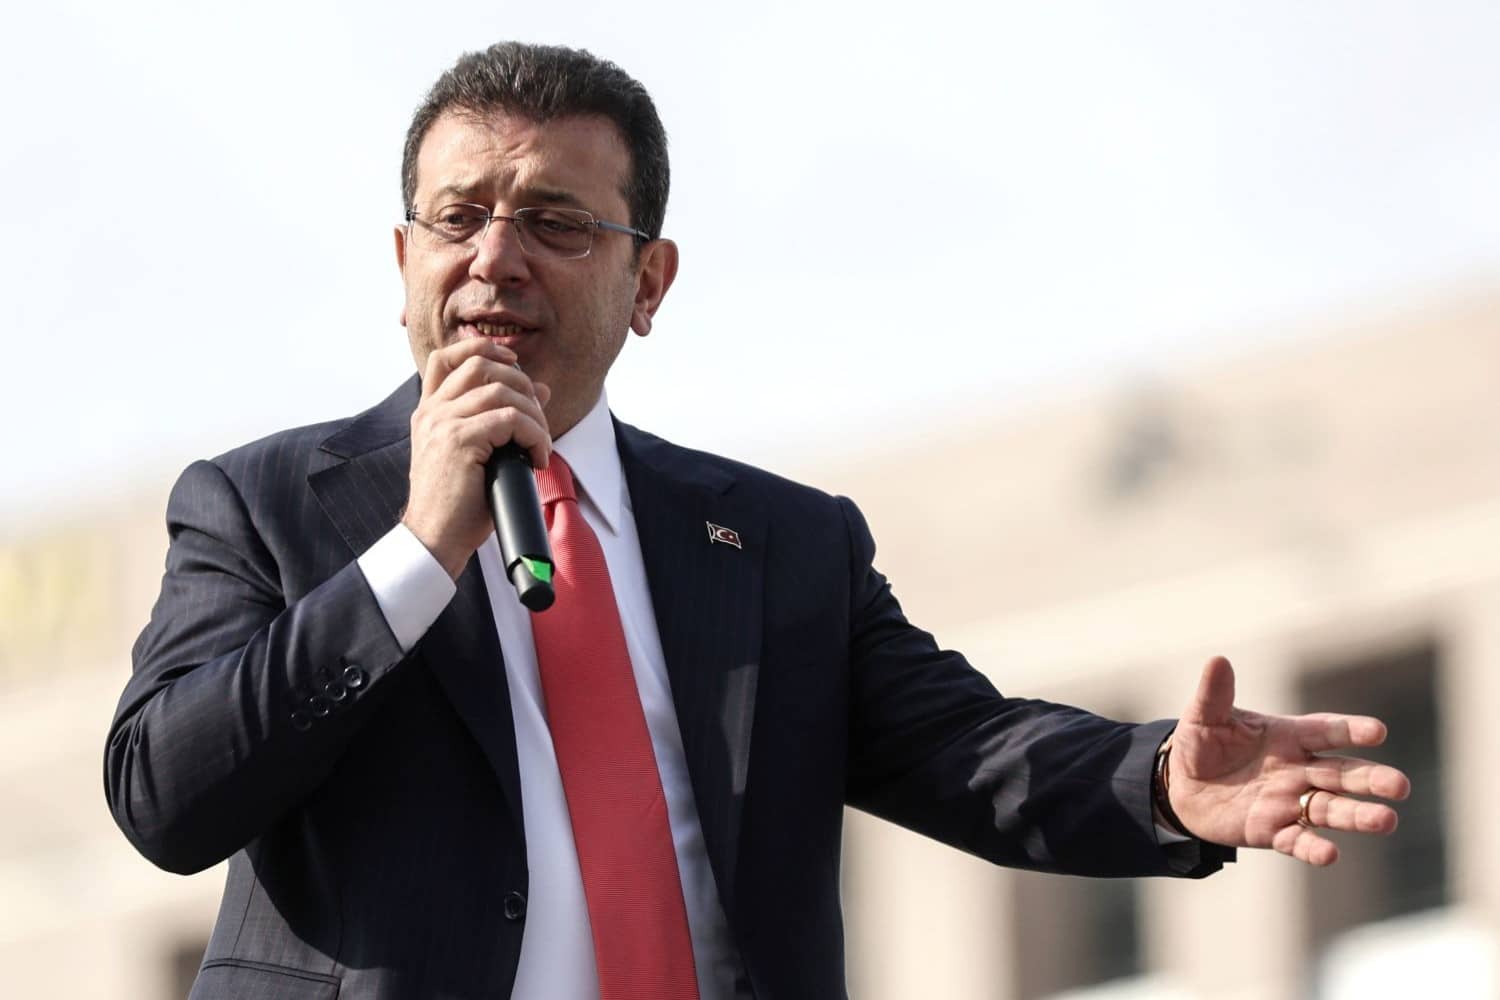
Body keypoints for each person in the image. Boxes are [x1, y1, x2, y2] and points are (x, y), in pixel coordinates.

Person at [104, 42, 1411, 1000]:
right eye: (458, 218)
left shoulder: (779, 545)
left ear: (649, 281)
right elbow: (167, 794)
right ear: (405, 266)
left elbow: (967, 750)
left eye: (554, 222)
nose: (495, 257)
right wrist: (418, 552)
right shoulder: (267, 505)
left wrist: (1163, 785)